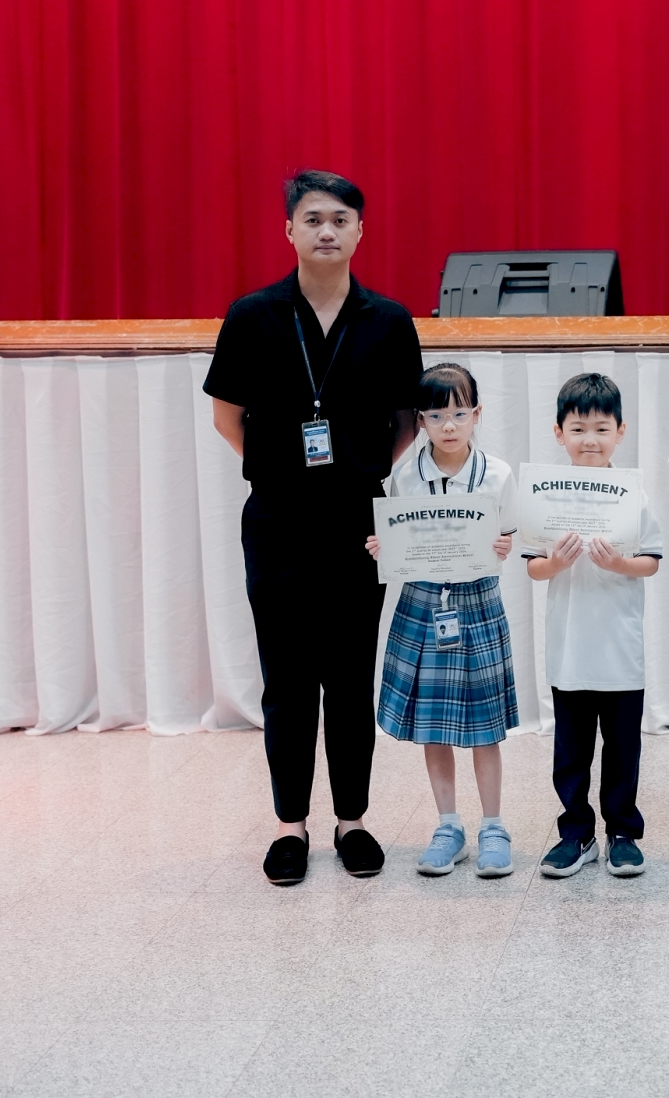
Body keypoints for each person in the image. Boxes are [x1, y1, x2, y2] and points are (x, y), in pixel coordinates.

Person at [205, 169, 424, 886]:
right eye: (313, 219)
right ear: (289, 230)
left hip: (360, 522)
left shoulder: (388, 320)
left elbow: (406, 422)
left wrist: (358, 471)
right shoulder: (252, 315)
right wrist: (285, 472)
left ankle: (352, 819)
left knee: (351, 678)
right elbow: (227, 416)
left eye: (340, 219)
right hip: (278, 519)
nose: (327, 231)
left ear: (360, 231)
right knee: (288, 681)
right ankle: (290, 824)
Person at [367, 364, 520, 878]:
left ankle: (494, 827)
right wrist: (383, 548)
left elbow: (508, 533)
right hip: (423, 602)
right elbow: (398, 539)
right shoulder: (404, 476)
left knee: (485, 727)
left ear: (477, 414)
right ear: (420, 420)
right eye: (435, 416)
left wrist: (505, 544)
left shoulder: (497, 474)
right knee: (433, 726)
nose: (449, 425)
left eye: (459, 413)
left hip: (477, 602)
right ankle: (448, 827)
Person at [524, 374, 665, 879]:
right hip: (569, 647)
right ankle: (576, 833)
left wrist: (619, 564)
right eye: (578, 429)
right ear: (558, 433)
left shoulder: (633, 494)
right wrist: (556, 563)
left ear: (621, 432)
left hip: (620, 648)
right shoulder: (545, 496)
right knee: (572, 750)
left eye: (602, 429)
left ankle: (622, 833)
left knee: (623, 748)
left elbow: (651, 562)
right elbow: (533, 568)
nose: (590, 440)